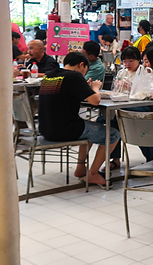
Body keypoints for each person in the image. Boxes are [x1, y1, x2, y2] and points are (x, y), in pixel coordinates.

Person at [38, 52, 119, 187]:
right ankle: (93, 173)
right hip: (65, 130)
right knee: (114, 134)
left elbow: (66, 94)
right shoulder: (74, 76)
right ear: (82, 65)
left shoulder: (50, 76)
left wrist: (84, 87)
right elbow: (95, 100)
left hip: (45, 129)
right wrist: (95, 88)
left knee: (90, 126)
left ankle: (80, 169)